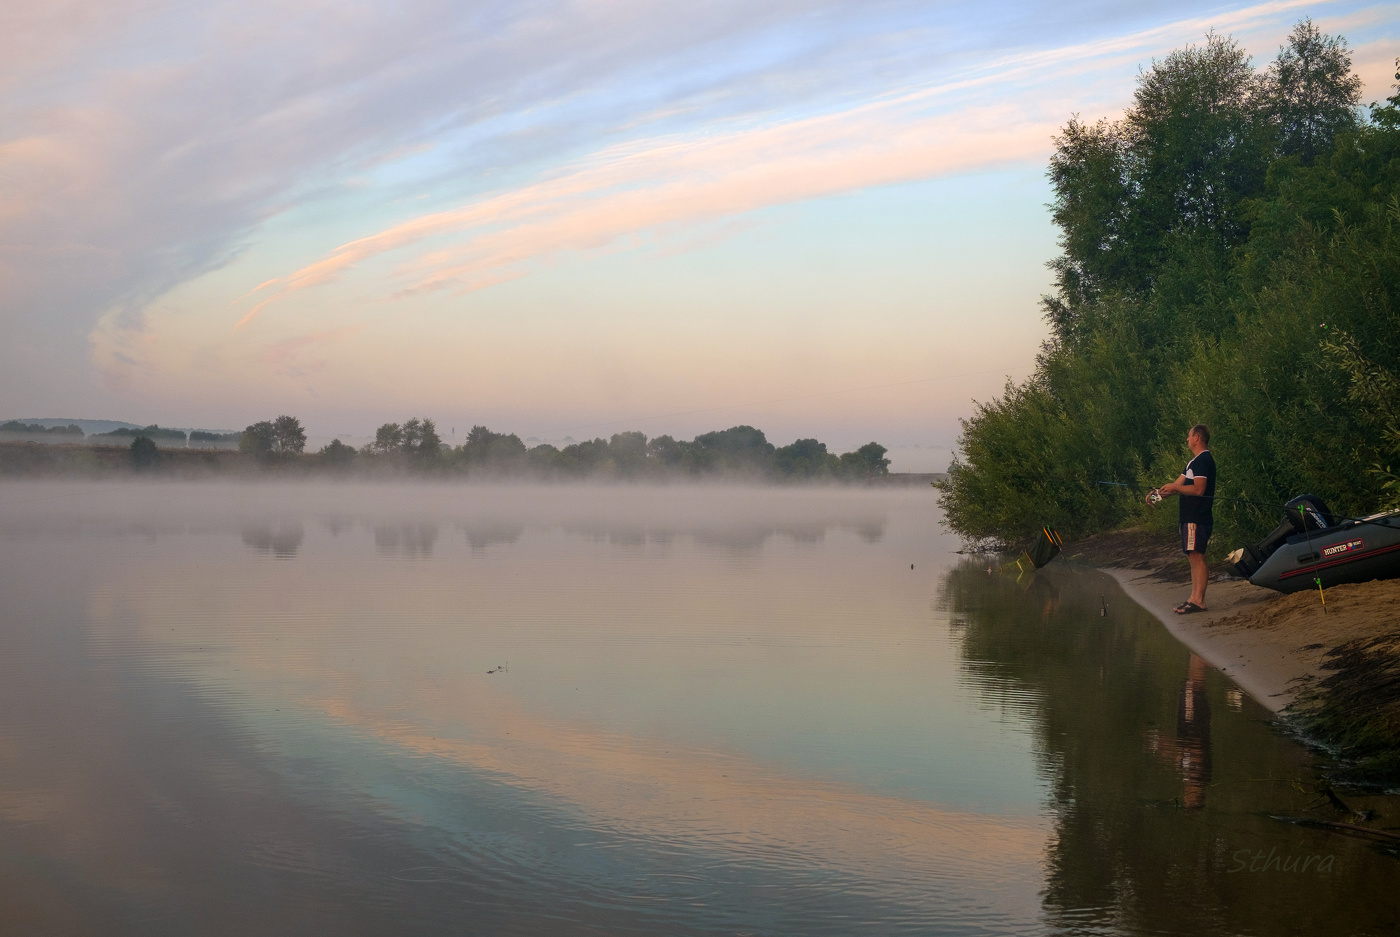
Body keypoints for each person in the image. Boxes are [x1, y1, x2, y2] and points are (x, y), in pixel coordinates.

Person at [1146, 424, 1216, 613]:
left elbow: (1199, 490)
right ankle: (1193, 598)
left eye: (1189, 436)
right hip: (1188, 517)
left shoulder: (1204, 460)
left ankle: (1199, 601)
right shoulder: (1192, 463)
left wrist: (1176, 489)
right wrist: (1154, 497)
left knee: (1197, 556)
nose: (1187, 439)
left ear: (1197, 438)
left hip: (1197, 516)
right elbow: (1175, 486)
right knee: (1191, 556)